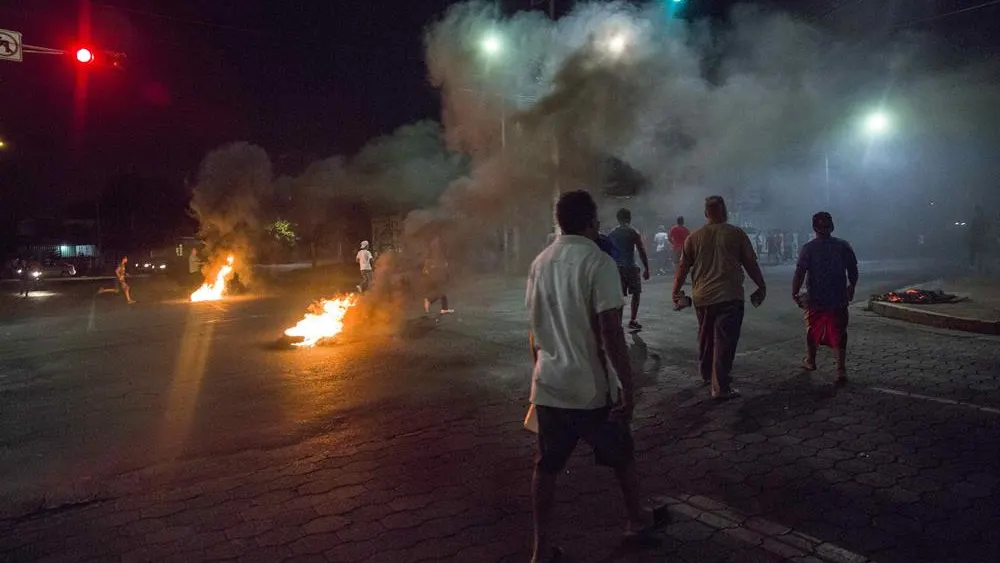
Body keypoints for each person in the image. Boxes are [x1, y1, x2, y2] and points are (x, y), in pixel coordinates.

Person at [526, 190, 666, 563]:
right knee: (621, 453)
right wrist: (627, 385)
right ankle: (635, 518)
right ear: (590, 222)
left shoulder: (539, 263)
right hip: (591, 389)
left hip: (549, 385)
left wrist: (538, 372)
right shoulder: (597, 261)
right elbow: (610, 330)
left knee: (547, 465)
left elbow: (534, 330)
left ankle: (541, 550)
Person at [672, 196, 766, 400]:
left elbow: (682, 267)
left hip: (702, 297)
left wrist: (676, 291)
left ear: (706, 214)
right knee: (725, 341)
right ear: (725, 212)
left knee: (706, 338)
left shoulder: (694, 237)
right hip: (729, 295)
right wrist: (761, 285)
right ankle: (720, 387)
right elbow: (750, 263)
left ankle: (708, 375)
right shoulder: (736, 233)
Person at [793, 212, 858, 383]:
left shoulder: (808, 248)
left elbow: (800, 272)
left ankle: (811, 360)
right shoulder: (843, 246)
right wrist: (852, 286)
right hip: (838, 297)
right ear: (832, 227)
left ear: (814, 228)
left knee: (812, 329)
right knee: (840, 331)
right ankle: (841, 369)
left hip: (816, 298)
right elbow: (853, 269)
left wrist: (795, 292)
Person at [607, 208, 651, 331]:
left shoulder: (612, 233)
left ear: (618, 219)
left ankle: (618, 322)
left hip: (617, 268)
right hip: (631, 267)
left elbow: (608, 253)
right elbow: (641, 251)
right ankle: (632, 319)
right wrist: (647, 268)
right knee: (636, 294)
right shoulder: (633, 232)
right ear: (629, 218)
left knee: (619, 296)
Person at [422, 237, 453, 315]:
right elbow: (443, 254)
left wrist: (426, 267)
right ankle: (429, 300)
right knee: (442, 290)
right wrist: (445, 262)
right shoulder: (440, 242)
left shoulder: (433, 243)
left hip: (436, 269)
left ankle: (444, 308)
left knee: (442, 290)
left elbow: (428, 256)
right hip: (439, 270)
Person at [970, 204, 991, 275]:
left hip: (980, 239)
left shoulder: (979, 219)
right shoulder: (977, 219)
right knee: (980, 255)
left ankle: (981, 270)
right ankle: (980, 270)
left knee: (980, 255)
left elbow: (987, 229)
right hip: (979, 239)